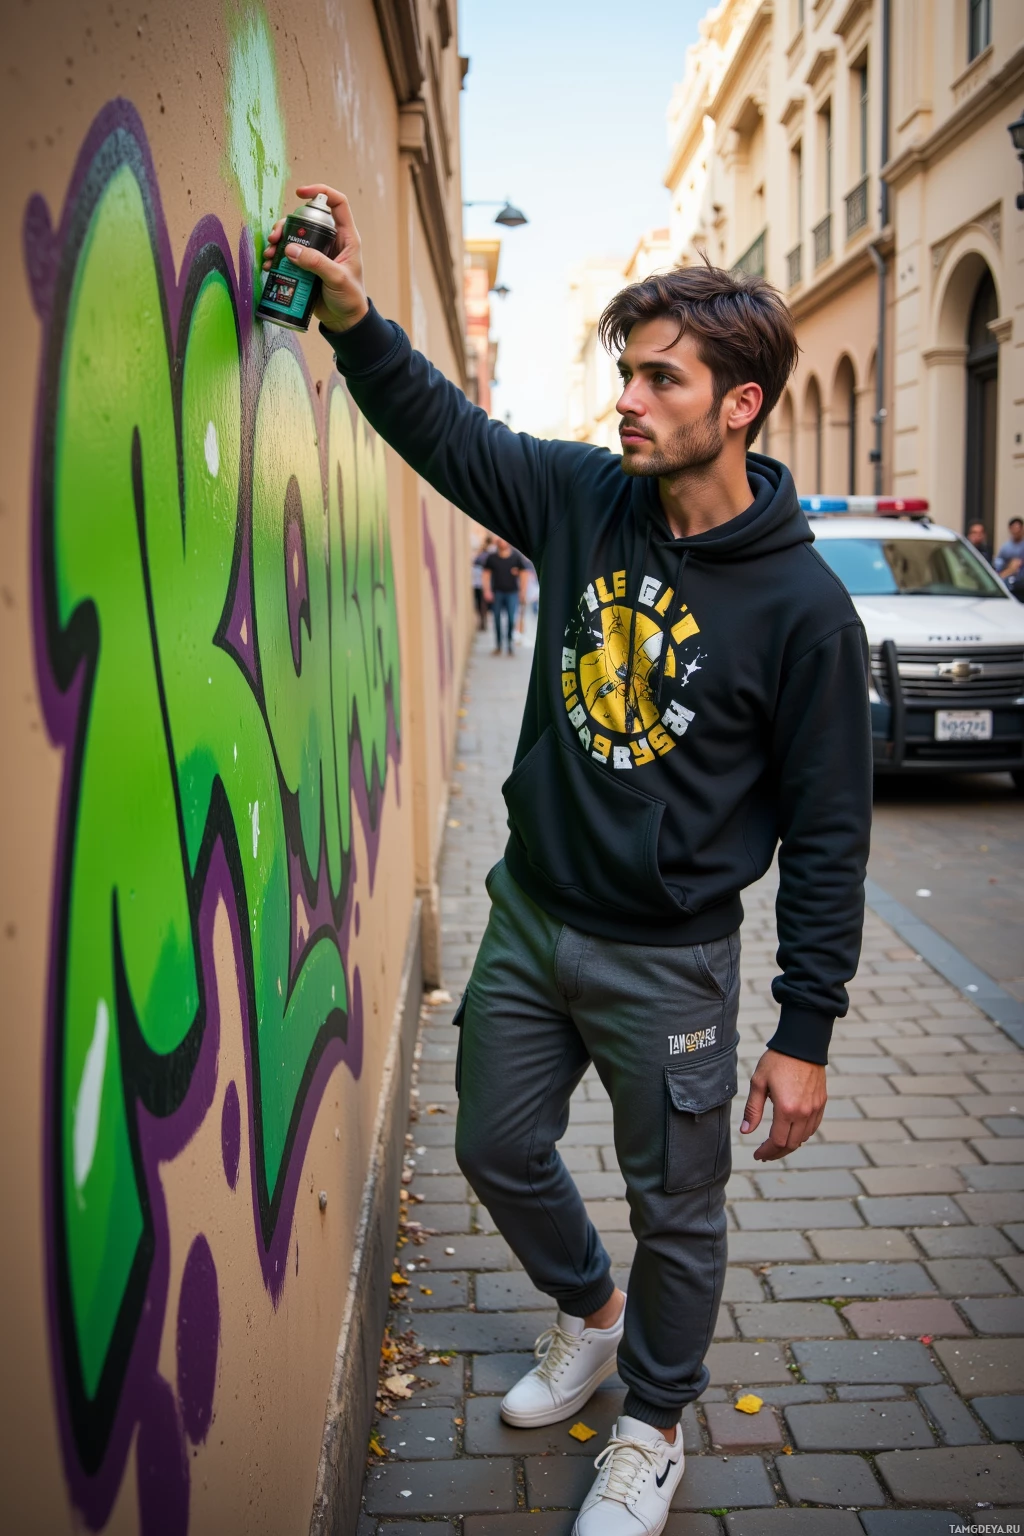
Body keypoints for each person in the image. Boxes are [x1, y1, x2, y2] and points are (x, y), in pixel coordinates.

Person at [265, 188, 871, 1536]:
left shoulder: (806, 614)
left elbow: (832, 835)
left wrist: (806, 1030)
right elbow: (449, 431)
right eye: (627, 373)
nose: (632, 401)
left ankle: (653, 1425)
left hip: (674, 961)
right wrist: (356, 319)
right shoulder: (586, 497)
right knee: (493, 1141)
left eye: (664, 379)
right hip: (532, 919)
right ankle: (590, 1313)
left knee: (683, 1208)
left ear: (743, 406)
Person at [482, 537, 526, 654]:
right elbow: (486, 575)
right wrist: (487, 590)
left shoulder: (516, 557)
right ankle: (498, 646)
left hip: (512, 593)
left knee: (511, 619)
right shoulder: (492, 558)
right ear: (497, 543)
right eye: (500, 541)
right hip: (497, 593)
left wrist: (523, 591)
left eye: (504, 540)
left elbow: (523, 574)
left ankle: (510, 645)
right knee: (496, 619)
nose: (502, 543)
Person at [995, 517, 1024, 600]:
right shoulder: (1005, 547)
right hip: (1009, 585)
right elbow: (998, 567)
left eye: (1018, 528)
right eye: (1014, 528)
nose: (1016, 531)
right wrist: (1010, 568)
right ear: (1010, 529)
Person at [472, 535, 493, 630]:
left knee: (481, 604)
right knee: (482, 604)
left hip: (479, 583)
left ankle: (482, 622)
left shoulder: (483, 555)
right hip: (480, 583)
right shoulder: (487, 555)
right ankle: (483, 622)